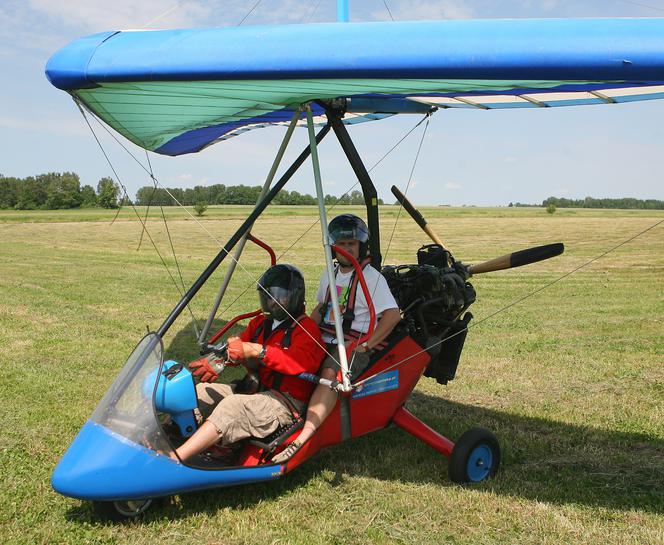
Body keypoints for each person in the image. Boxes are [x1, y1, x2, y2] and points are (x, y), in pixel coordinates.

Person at [271, 214, 401, 463]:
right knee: (289, 352)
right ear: (333, 247)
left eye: (351, 245)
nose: (346, 249)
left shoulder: (372, 278)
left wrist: (367, 345)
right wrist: (303, 332)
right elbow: (322, 308)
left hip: (353, 343)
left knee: (330, 374)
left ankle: (304, 435)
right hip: (327, 335)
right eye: (341, 244)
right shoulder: (329, 273)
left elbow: (393, 315)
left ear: (361, 247)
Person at [173, 264, 325, 463]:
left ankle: (176, 458)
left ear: (296, 296)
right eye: (268, 296)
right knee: (200, 392)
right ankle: (166, 435)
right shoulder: (260, 324)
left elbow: (300, 363)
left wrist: (257, 351)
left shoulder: (306, 330)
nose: (273, 302)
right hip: (254, 389)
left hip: (285, 403)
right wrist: (220, 360)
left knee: (232, 407)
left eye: (281, 296)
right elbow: (240, 348)